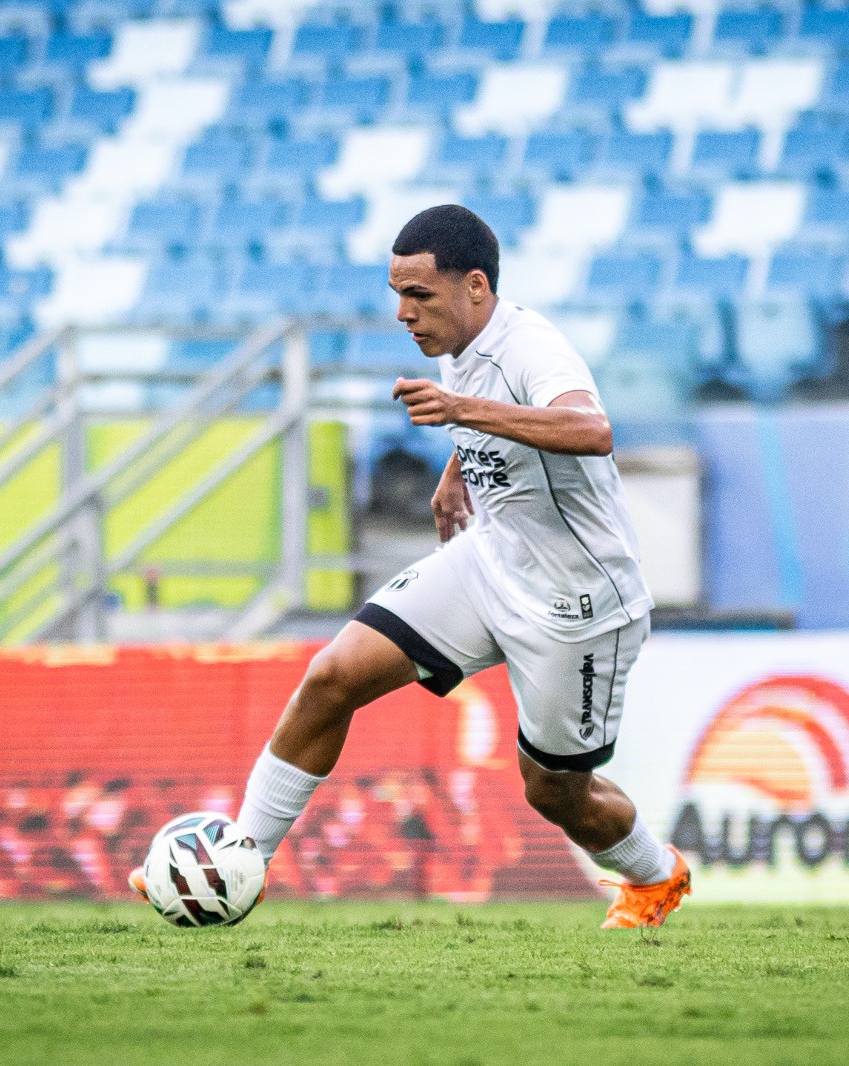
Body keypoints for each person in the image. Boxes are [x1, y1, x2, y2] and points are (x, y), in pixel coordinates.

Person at [132, 205, 690, 927]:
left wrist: (461, 411)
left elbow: (592, 429)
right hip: (489, 564)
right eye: (397, 294)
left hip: (576, 605)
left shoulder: (533, 349)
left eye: (418, 295)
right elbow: (491, 411)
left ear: (476, 287)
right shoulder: (457, 340)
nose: (403, 313)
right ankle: (244, 861)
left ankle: (654, 875)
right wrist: (459, 465)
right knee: (333, 677)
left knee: (554, 793)